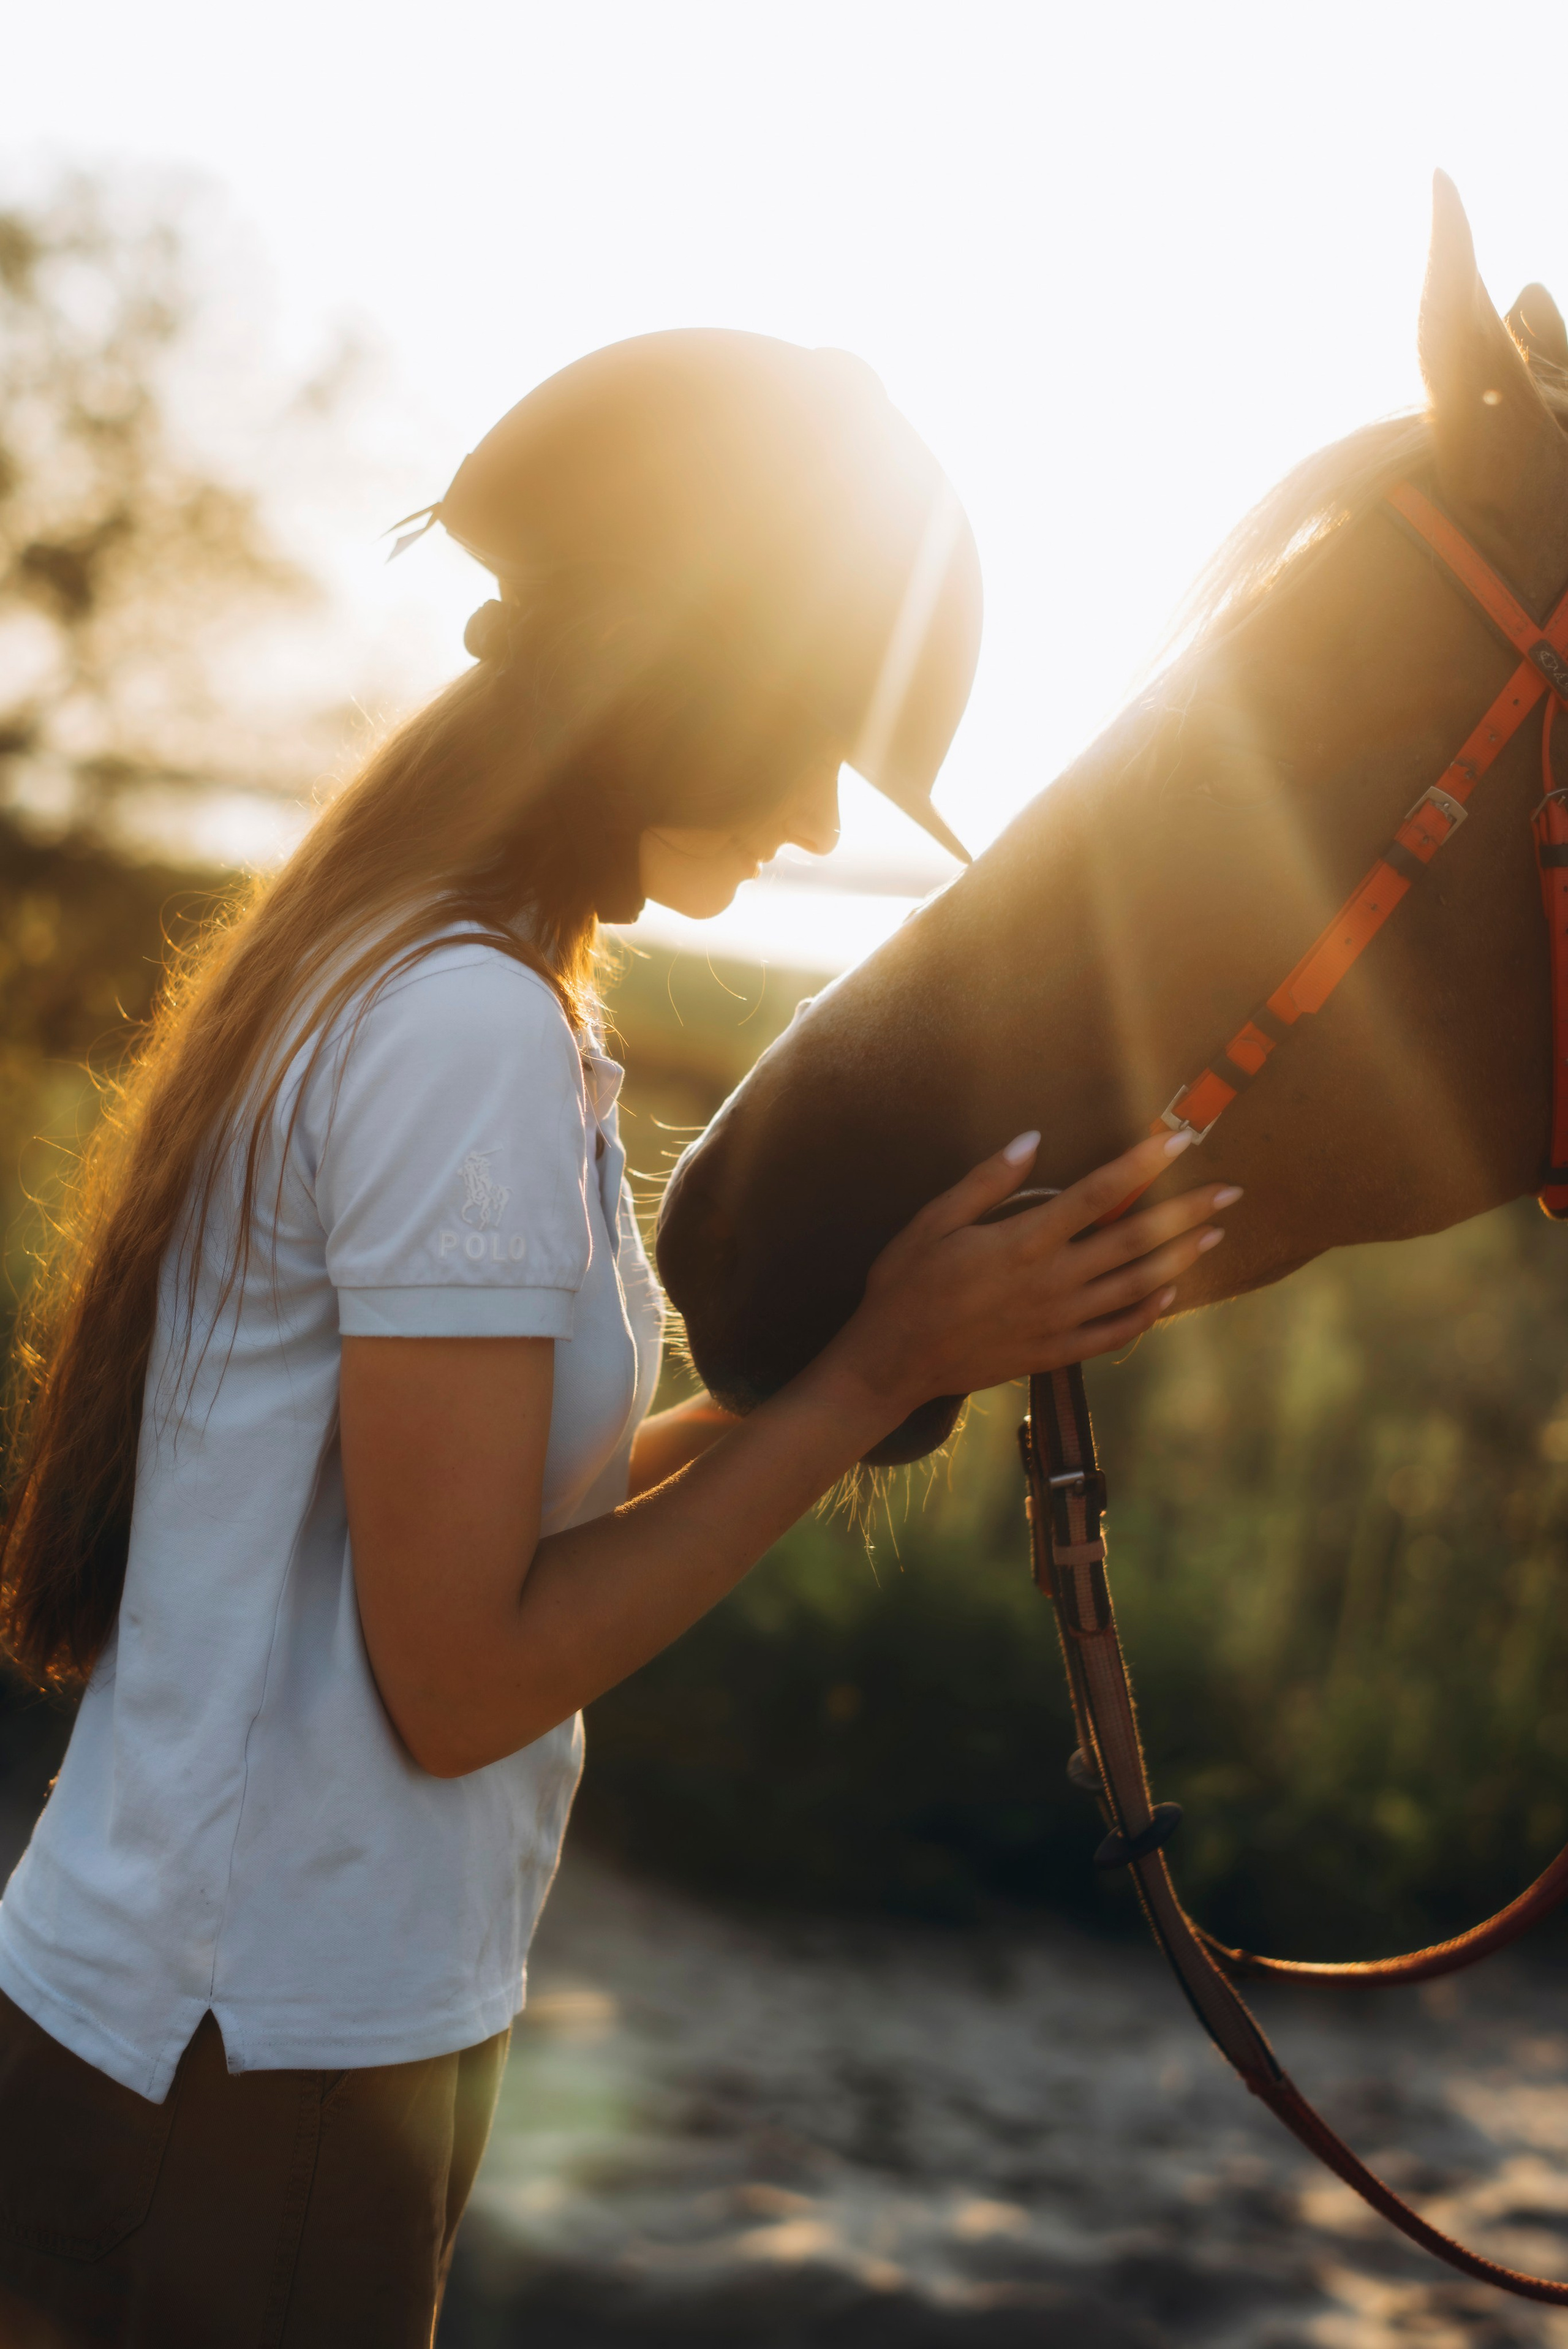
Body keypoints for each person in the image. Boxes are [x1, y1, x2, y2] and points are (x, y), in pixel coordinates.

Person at [0, 331, 1236, 2347]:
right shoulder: (462, 1030)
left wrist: (908, 1340)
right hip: (258, 2071)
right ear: (700, 687)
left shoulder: (444, 982)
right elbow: (461, 1673)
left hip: (202, 2029)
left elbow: (508, 1521)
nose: (824, 802)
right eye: (818, 729)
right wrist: (853, 1379)